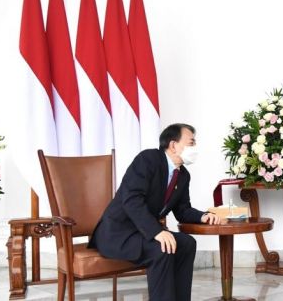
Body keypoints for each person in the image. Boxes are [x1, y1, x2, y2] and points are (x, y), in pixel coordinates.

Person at [89, 123, 220, 301]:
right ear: (173, 145)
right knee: (162, 248)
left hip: (142, 233)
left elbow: (182, 210)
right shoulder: (148, 159)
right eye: (191, 143)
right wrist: (157, 232)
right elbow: (132, 200)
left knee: (187, 243)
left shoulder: (183, 175)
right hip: (118, 233)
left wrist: (203, 216)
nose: (194, 148)